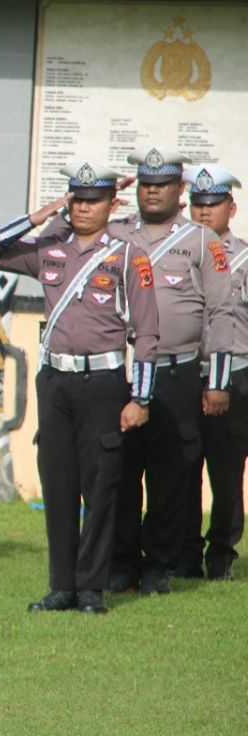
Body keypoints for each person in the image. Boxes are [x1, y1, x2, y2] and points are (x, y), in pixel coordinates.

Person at [0, 161, 159, 614]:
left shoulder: (127, 254)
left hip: (103, 381)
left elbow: (149, 331)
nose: (82, 208)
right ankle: (62, 586)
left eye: (92, 200)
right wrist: (39, 216)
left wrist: (142, 398)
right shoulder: (51, 248)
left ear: (111, 204)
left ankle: (91, 588)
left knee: (100, 487)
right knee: (58, 484)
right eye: (76, 199)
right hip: (55, 381)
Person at [45, 147, 233, 595]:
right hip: (117, 374)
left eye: (162, 184)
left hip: (174, 373)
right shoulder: (112, 232)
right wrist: (81, 201)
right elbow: (58, 237)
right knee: (117, 474)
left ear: (179, 190)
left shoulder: (202, 242)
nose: (152, 191)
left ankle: (159, 564)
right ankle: (121, 561)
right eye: (145, 183)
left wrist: (218, 381)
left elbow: (223, 313)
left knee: (170, 474)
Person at [182, 164, 246, 580]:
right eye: (197, 204)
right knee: (182, 467)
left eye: (213, 204)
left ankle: (221, 550)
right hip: (188, 372)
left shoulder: (243, 257)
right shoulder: (181, 250)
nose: (204, 213)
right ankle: (183, 551)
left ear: (231, 208)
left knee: (225, 470)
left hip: (236, 375)